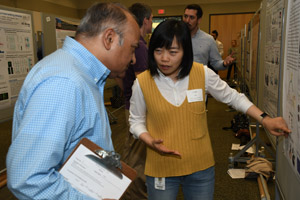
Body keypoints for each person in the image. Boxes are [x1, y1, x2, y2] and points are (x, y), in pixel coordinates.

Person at [129, 19, 290, 200]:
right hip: (160, 167)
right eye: (158, 51)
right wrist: (148, 139)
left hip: (200, 166)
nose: (164, 58)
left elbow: (233, 97)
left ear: (185, 51)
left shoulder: (202, 73)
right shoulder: (142, 82)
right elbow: (136, 121)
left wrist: (265, 119)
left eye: (173, 52)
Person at [6, 3, 140, 200]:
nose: (134, 59)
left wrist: (113, 168)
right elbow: (28, 178)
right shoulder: (64, 82)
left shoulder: (81, 75)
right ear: (109, 38)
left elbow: (82, 139)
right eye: (132, 48)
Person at [121, 3, 152, 200]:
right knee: (137, 160)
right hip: (137, 110)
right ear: (146, 20)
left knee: (131, 153)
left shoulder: (137, 44)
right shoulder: (139, 46)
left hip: (130, 106)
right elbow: (143, 84)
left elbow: (121, 77)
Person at [183, 4, 234, 71]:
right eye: (185, 16)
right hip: (177, 80)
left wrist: (224, 63)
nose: (187, 20)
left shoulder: (208, 39)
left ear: (199, 20)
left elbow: (216, 63)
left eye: (191, 17)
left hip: (198, 79)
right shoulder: (175, 37)